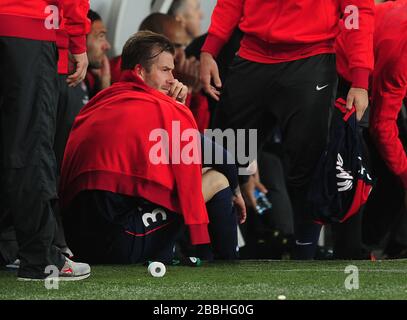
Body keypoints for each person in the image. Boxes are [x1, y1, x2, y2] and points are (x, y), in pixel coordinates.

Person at [200, 0, 375, 259]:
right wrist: (208, 51)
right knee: (223, 155)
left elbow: (357, 11)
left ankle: (304, 256)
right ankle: (218, 252)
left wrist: (360, 80)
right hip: (252, 55)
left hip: (311, 59)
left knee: (309, 164)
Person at [60, 31, 246, 264]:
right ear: (140, 72)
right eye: (165, 70)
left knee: (177, 184)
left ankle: (178, 256)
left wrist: (175, 107)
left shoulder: (103, 100)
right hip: (119, 241)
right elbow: (223, 157)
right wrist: (237, 193)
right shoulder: (156, 109)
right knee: (217, 180)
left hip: (77, 241)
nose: (172, 79)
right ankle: (228, 265)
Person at [0, 0, 91, 280]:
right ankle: (40, 257)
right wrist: (77, 41)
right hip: (26, 29)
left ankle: (8, 245)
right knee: (31, 146)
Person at [336, 0, 407, 258]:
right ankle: (357, 248)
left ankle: (373, 244)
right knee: (357, 165)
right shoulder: (399, 60)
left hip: (366, 70)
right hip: (339, 74)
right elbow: (382, 127)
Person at [53, 9, 112, 258]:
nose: (107, 45)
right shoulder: (65, 81)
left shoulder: (84, 81)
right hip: (60, 198)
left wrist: (104, 86)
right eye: (99, 36)